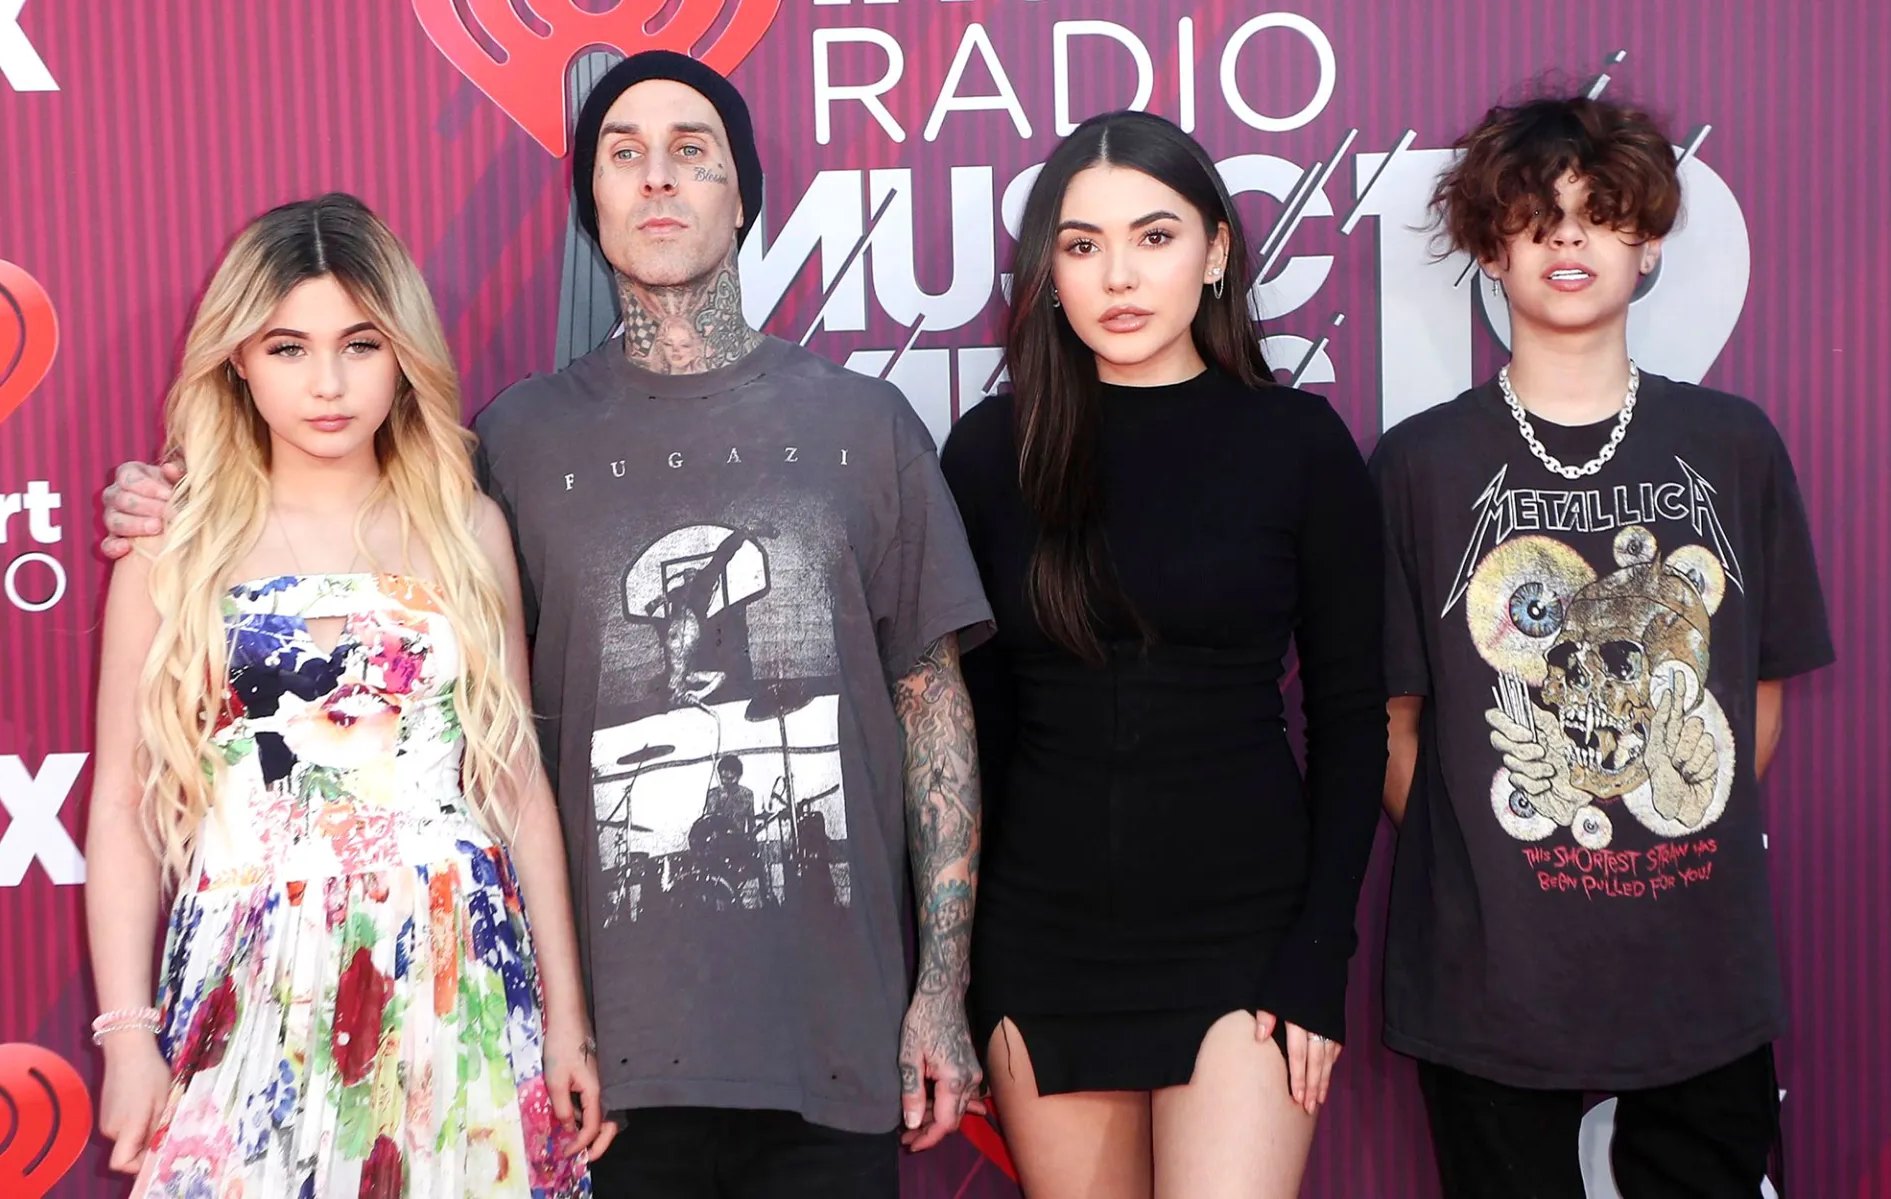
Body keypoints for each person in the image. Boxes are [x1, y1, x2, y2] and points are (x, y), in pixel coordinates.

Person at [99, 51, 995, 1198]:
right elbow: (342, 547)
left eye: (691, 152)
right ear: (591, 204)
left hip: (814, 1039)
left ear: (744, 193)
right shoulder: (512, 445)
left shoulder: (863, 427)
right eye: (624, 154)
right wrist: (175, 498)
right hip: (590, 1057)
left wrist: (941, 988)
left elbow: (931, 701)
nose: (657, 178)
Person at [83, 194, 612, 1196]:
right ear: (238, 359)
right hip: (246, 976)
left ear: (402, 352)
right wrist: (126, 1034)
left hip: (455, 976)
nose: (327, 383)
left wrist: (567, 1021)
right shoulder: (172, 544)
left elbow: (513, 783)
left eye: (360, 344)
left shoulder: (465, 527)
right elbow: (121, 802)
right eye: (288, 347)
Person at [1370, 92, 1834, 1197]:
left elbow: (1753, 694)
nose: (1565, 240)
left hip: (1697, 960)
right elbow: (1394, 723)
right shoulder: (1420, 465)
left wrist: (1660, 790)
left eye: (1598, 213)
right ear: (1491, 250)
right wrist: (1508, 864)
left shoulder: (1730, 444)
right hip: (1490, 974)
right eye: (1534, 218)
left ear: (1648, 243)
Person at [937, 110, 1387, 1199]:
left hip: (1245, 936)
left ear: (1215, 251)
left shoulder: (1296, 444)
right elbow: (969, 735)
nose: (1118, 275)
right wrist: (951, 972)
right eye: (1081, 244)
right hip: (1040, 938)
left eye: (1153, 235)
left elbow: (1348, 719)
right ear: (1047, 271)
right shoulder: (992, 452)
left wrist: (1317, 954)